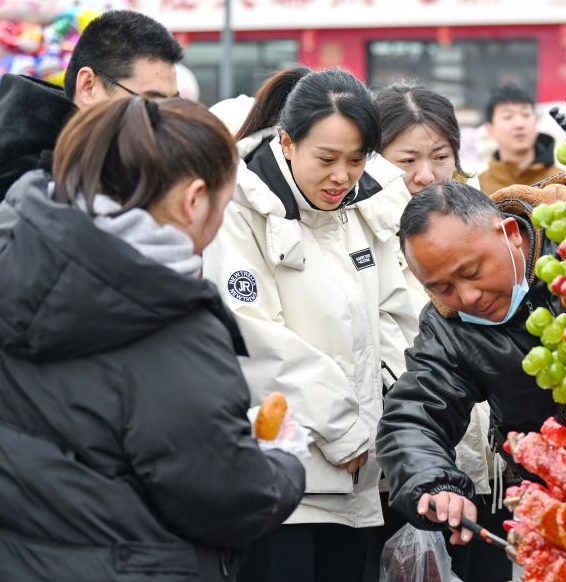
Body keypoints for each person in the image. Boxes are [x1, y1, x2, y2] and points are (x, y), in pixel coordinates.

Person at [0, 97, 305, 581]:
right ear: (193, 200)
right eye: (222, 206)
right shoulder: (168, 319)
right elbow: (224, 495)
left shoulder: (15, 247)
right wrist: (283, 460)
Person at [203, 67, 418, 582]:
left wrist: (391, 420)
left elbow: (399, 317)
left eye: (356, 159)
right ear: (287, 141)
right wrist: (344, 432)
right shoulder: (240, 208)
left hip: (363, 476)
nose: (341, 177)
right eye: (326, 159)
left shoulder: (369, 203)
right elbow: (254, 338)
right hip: (285, 479)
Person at [376, 179, 566, 543]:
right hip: (558, 504)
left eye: (472, 272)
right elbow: (415, 414)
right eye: (442, 288)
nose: (468, 296)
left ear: (511, 233)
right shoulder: (448, 326)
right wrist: (436, 483)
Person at [374, 83, 508, 582]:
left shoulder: (488, 231)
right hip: (402, 477)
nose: (425, 175)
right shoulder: (362, 240)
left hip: (488, 474)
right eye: (405, 160)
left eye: (440, 156)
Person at [0, 9, 182, 200]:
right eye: (150, 103)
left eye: (174, 104)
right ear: (88, 86)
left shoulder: (117, 164)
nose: (165, 119)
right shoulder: (21, 181)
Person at [478, 83, 560, 194]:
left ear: (536, 123)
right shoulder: (478, 188)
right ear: (490, 130)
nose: (519, 124)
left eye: (526, 115)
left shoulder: (562, 182)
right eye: (508, 117)